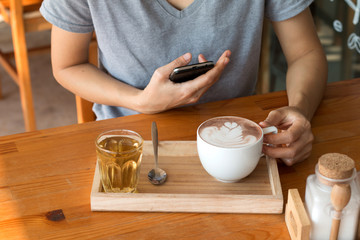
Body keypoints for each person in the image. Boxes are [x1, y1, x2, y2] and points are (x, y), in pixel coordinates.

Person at [40, 0, 328, 166]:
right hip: (128, 147)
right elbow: (68, 65)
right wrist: (138, 101)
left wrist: (300, 109)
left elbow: (306, 53)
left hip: (243, 148)